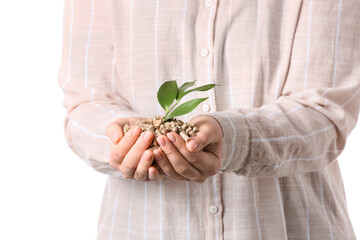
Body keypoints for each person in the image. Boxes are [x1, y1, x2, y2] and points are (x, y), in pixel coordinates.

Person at [58, 0, 359, 239]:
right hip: (140, 227)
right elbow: (85, 102)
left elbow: (326, 112)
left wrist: (231, 137)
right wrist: (122, 141)